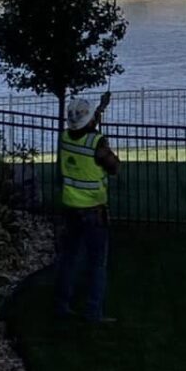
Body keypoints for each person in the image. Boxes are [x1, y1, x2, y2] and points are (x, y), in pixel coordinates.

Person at [54, 91, 119, 322]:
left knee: (69, 258)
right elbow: (113, 166)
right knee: (97, 263)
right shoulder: (97, 142)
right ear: (89, 119)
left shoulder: (64, 137)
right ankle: (93, 312)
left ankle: (61, 305)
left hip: (70, 208)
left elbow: (84, 127)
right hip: (94, 211)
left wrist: (101, 106)